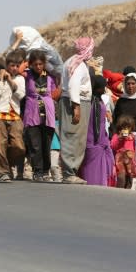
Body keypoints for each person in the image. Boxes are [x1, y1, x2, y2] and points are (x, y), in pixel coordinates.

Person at [59, 37, 94, 184]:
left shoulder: (73, 61)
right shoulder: (78, 65)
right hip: (75, 103)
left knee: (75, 137)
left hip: (74, 102)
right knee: (72, 137)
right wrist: (76, 107)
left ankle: (70, 172)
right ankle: (69, 173)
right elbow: (74, 85)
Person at [0, 51, 26, 183]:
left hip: (14, 115)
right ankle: (3, 173)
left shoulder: (21, 79)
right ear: (7, 65)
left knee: (19, 146)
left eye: (17, 66)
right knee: (0, 144)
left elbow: (20, 95)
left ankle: (8, 164)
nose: (15, 68)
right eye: (12, 65)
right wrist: (1, 78)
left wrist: (10, 81)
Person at [112, 72, 136, 190]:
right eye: (128, 83)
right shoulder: (121, 101)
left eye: (133, 83)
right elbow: (116, 119)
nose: (130, 86)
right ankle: (130, 189)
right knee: (127, 165)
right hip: (124, 139)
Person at [23, 50, 57, 182]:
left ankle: (45, 171)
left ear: (44, 64)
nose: (38, 67)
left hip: (48, 115)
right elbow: (19, 70)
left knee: (46, 144)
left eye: (40, 64)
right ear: (31, 64)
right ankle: (37, 171)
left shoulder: (50, 77)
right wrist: (27, 62)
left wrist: (48, 101)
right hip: (32, 114)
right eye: (35, 64)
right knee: (35, 144)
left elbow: (55, 91)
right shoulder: (28, 75)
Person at [78, 75, 114, 186]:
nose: (104, 89)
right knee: (93, 171)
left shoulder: (96, 101)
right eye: (103, 87)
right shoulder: (95, 103)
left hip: (96, 140)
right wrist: (100, 142)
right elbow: (96, 125)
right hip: (95, 141)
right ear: (98, 88)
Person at [111, 115, 136, 188]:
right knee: (121, 177)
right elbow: (113, 146)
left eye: (128, 127)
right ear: (120, 127)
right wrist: (120, 138)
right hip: (120, 160)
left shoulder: (132, 136)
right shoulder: (117, 136)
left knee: (129, 178)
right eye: (124, 127)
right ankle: (119, 192)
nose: (126, 129)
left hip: (130, 160)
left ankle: (127, 194)